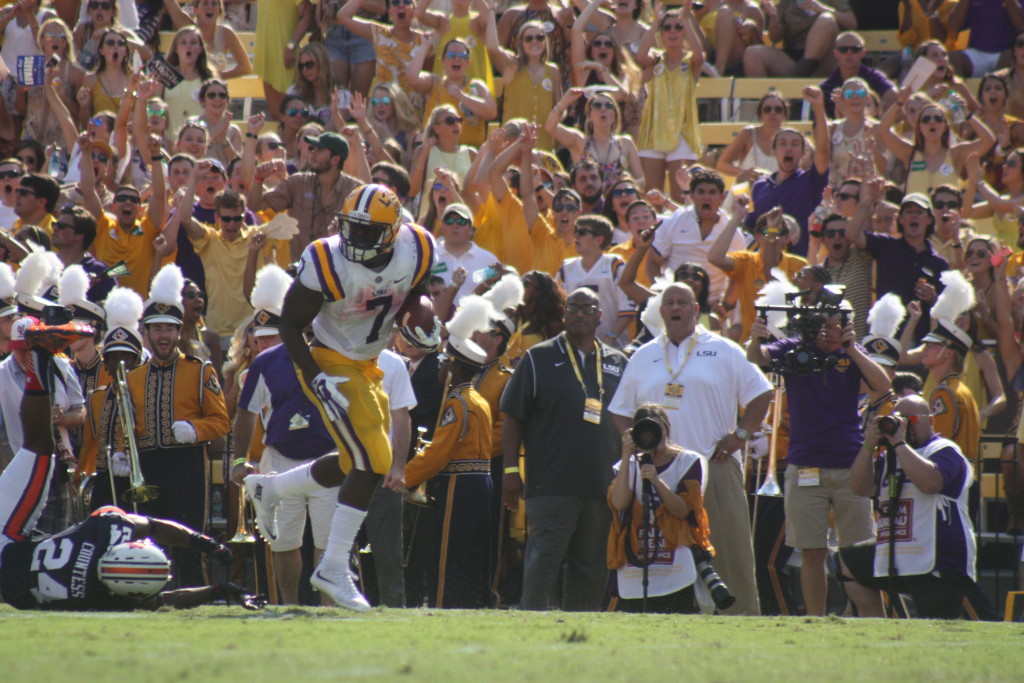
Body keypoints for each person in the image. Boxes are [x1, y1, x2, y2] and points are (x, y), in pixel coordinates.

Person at [244, 183, 440, 612]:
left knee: (355, 462)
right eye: (352, 227)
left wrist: (423, 314)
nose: (357, 238)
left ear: (393, 232)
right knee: (375, 460)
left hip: (369, 362)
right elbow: (290, 325)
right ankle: (333, 565)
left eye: (369, 232)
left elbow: (418, 287)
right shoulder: (326, 259)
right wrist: (314, 377)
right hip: (330, 359)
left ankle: (271, 488)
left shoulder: (417, 247)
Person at [609, 283, 772, 615]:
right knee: (663, 553)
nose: (675, 307)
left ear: (696, 309)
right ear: (661, 311)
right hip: (658, 470)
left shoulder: (724, 349)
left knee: (727, 551)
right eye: (669, 303)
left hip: (713, 463)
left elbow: (762, 393)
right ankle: (666, 620)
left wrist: (741, 434)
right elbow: (620, 411)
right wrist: (637, 447)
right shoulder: (643, 355)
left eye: (682, 302)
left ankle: (740, 621)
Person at [748, 303, 891, 616]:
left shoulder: (852, 352)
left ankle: (869, 619)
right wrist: (756, 338)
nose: (828, 332)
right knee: (812, 551)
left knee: (857, 553)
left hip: (849, 466)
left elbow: (883, 385)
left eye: (835, 325)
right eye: (822, 325)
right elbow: (757, 358)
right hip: (805, 465)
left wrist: (851, 349)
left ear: (846, 326)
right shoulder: (795, 348)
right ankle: (816, 620)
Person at [499, 287, 628, 610]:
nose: (580, 314)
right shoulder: (538, 357)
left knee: (591, 566)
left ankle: (580, 630)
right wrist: (511, 470)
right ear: (564, 313)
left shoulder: (618, 362)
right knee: (544, 561)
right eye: (574, 307)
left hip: (602, 486)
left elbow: (629, 420)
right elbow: (513, 416)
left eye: (588, 308)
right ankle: (533, 625)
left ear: (600, 316)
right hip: (551, 484)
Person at [126, 264, 231, 587]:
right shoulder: (133, 377)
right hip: (147, 466)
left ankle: (194, 598)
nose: (163, 335)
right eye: (156, 329)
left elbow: (222, 422)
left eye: (169, 329)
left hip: (187, 465)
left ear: (179, 331)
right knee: (148, 543)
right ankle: (152, 597)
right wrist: (121, 452)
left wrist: (195, 430)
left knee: (189, 541)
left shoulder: (199, 370)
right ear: (145, 332)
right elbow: (125, 426)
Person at [841, 394, 980, 619]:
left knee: (937, 631)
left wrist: (899, 443)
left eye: (910, 420)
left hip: (936, 560)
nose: (903, 426)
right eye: (898, 420)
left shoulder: (944, 450)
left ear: (931, 421)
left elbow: (930, 483)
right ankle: (873, 628)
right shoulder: (890, 457)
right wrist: (868, 445)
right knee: (848, 562)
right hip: (897, 554)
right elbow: (859, 487)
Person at [403, 298, 494, 608]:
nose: (439, 367)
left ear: (455, 367)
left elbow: (438, 455)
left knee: (447, 553)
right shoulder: (477, 399)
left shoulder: (457, 403)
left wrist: (404, 478)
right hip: (478, 483)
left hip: (458, 485)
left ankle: (445, 603)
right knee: (469, 553)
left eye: (444, 362)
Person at [609, 403, 710, 614]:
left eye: (657, 429)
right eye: (644, 431)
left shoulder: (687, 461)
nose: (650, 436)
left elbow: (683, 512)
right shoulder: (627, 465)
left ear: (667, 429)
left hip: (676, 557)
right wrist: (626, 456)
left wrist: (656, 480)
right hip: (636, 555)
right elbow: (619, 503)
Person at [247, 131, 367, 262]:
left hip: (338, 270)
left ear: (335, 160)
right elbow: (255, 206)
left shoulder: (355, 191)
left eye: (320, 150)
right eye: (313, 148)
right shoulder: (297, 183)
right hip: (301, 270)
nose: (313, 153)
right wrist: (258, 179)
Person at [743, 86, 832, 258]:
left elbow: (823, 148)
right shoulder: (759, 187)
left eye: (795, 144)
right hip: (765, 264)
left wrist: (818, 106)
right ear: (773, 151)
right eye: (783, 144)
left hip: (800, 263)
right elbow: (751, 228)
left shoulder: (811, 181)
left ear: (803, 152)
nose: (788, 148)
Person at [648, 168, 746, 302]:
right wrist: (663, 295)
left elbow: (739, 273)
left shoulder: (732, 231)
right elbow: (653, 262)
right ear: (692, 195)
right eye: (701, 192)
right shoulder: (674, 221)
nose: (706, 197)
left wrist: (725, 305)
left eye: (712, 192)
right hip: (676, 303)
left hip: (713, 304)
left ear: (722, 197)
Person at [557, 215, 635, 347]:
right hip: (575, 347)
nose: (576, 236)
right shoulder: (567, 267)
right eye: (575, 231)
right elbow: (558, 310)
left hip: (613, 346)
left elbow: (627, 310)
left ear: (599, 239)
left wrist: (610, 337)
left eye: (582, 232)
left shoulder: (614, 264)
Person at [433, 202, 499, 306]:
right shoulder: (430, 258)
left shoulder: (488, 260)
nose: (455, 225)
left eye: (461, 221)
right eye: (449, 220)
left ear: (471, 230)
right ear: (442, 227)